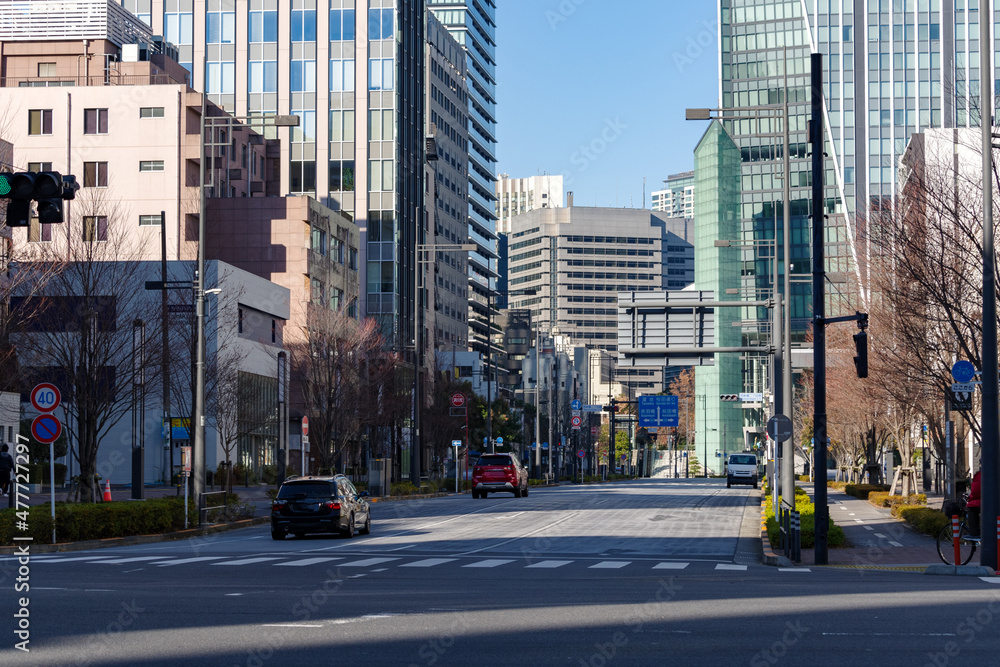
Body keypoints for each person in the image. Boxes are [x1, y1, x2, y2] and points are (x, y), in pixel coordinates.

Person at [968, 467, 982, 537]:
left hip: (981, 502)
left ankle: (975, 533)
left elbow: (976, 491)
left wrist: (970, 498)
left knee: (971, 507)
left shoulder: (980, 475)